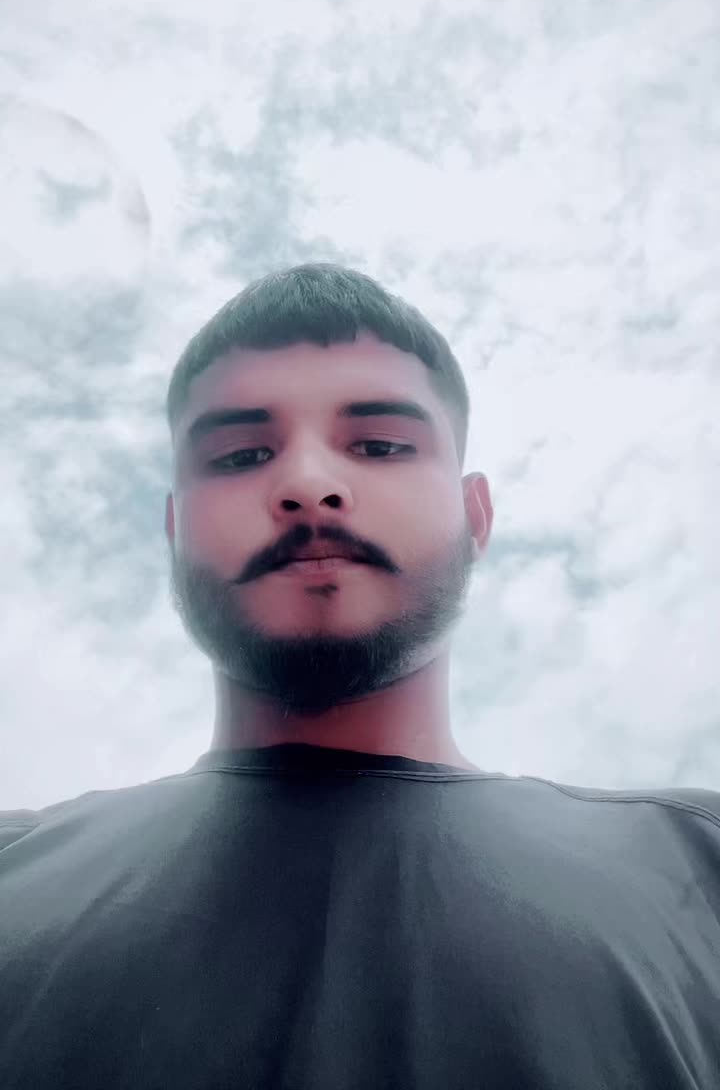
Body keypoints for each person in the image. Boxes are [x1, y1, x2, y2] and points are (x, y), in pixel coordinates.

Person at [1, 261, 719, 1089]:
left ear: (475, 514)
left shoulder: (699, 865)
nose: (308, 485)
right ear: (174, 527)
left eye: (379, 445)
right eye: (240, 455)